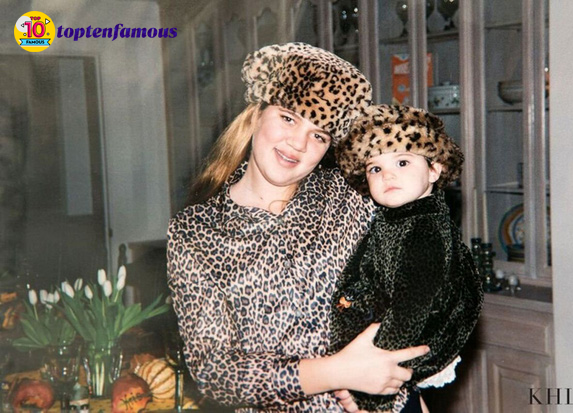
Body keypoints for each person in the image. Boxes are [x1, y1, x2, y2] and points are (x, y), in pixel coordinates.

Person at [167, 43, 430, 413]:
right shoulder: (195, 232)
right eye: (289, 118)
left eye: (319, 134)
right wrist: (338, 372)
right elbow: (215, 373)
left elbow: (426, 271)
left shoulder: (353, 197)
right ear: (256, 114)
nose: (299, 143)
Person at [330, 104, 484, 412]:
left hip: (387, 374)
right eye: (375, 168)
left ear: (434, 170)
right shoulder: (392, 221)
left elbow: (410, 311)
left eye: (402, 162)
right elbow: (361, 273)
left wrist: (368, 386)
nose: (387, 174)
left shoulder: (425, 231)